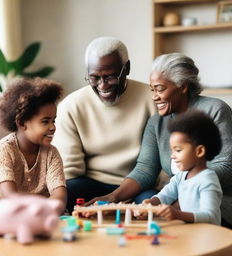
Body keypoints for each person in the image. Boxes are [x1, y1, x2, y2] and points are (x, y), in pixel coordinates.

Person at [88, 52, 232, 228]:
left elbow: (226, 165)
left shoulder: (215, 110)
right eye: (152, 89)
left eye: (160, 89)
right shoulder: (156, 122)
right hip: (176, 199)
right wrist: (114, 198)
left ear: (183, 86)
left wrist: (183, 197)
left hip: (217, 205)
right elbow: (145, 169)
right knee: (145, 209)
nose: (154, 96)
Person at [52, 36, 156, 213]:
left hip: (140, 185)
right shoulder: (72, 105)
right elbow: (69, 170)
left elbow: (162, 161)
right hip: (92, 184)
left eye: (110, 76)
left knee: (152, 206)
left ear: (127, 68)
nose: (102, 85)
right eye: (94, 78)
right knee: (64, 194)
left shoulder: (152, 98)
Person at [0, 77, 67, 221]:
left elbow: (60, 196)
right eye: (45, 121)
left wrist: (53, 206)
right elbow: (10, 195)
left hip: (32, 208)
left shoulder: (52, 154)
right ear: (21, 123)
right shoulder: (3, 149)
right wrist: (46, 205)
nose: (53, 127)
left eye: (53, 120)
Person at [134, 110, 222, 225]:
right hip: (191, 235)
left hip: (210, 238)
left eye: (178, 150)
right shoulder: (181, 177)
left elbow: (210, 216)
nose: (172, 156)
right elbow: (165, 195)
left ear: (199, 151)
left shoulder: (208, 180)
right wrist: (151, 202)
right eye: (172, 150)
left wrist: (177, 214)